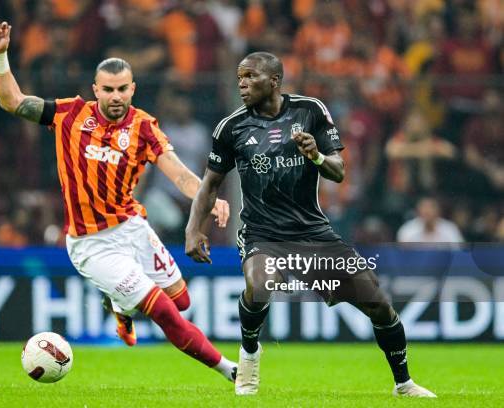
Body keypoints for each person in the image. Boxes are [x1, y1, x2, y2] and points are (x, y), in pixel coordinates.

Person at [0, 21, 236, 382]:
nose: (116, 96)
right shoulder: (70, 115)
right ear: (95, 90)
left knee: (182, 301)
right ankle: (231, 371)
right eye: (108, 90)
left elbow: (179, 174)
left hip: (133, 227)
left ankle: (119, 304)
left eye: (122, 89)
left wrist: (208, 199)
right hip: (92, 244)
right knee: (168, 313)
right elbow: (13, 101)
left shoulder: (144, 127)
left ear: (132, 89)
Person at [185, 52, 437, 397]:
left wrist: (317, 155)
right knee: (259, 285)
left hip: (312, 233)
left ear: (274, 80)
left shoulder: (310, 111)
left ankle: (404, 383)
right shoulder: (231, 127)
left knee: (379, 304)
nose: (241, 84)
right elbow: (210, 184)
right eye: (239, 78)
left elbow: (338, 171)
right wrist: (193, 229)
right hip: (263, 233)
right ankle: (249, 355)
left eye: (249, 77)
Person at [397, 197, 464, 244]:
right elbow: (401, 256)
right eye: (424, 208)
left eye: (431, 208)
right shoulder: (407, 230)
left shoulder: (450, 229)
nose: (427, 211)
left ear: (438, 211)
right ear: (418, 211)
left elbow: (459, 254)